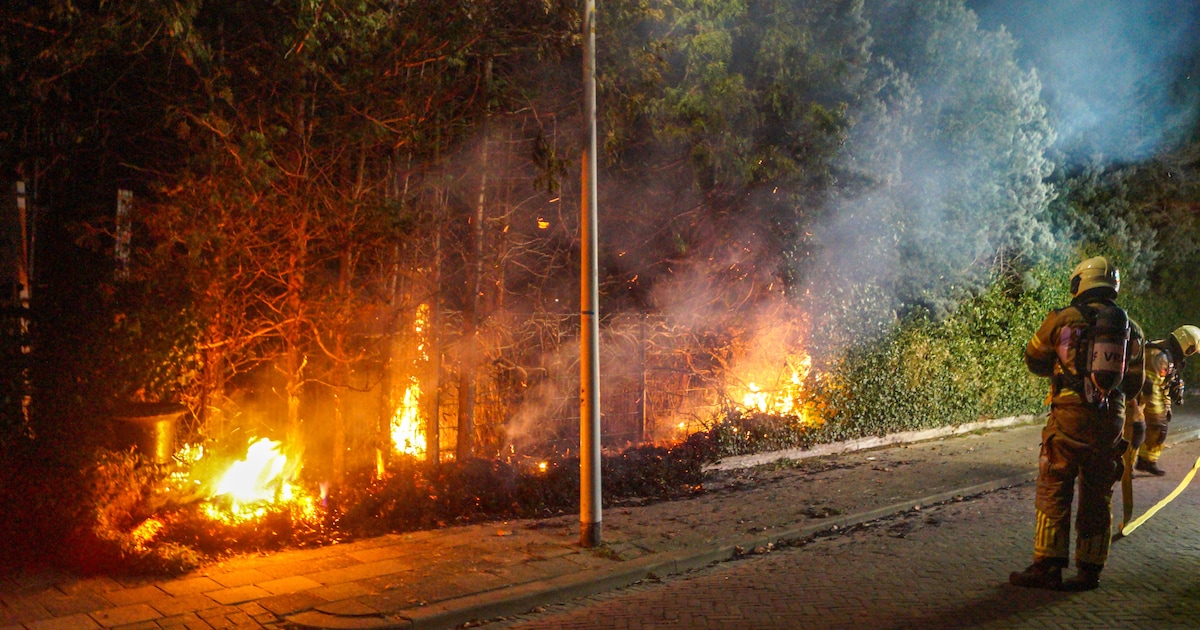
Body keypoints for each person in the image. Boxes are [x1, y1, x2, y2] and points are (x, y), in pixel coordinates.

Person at [1010, 256, 1144, 592]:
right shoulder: (1133, 329)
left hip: (1068, 418)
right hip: (1109, 423)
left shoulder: (1062, 319)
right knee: (1098, 494)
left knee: (1055, 487)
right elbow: (1134, 385)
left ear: (1080, 283)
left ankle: (1048, 567)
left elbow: (1034, 359)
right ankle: (1090, 570)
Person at [1133, 325, 1200, 476]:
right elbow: (1151, 387)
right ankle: (1124, 467)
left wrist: (1167, 407)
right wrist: (1158, 414)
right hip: (1134, 398)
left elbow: (1164, 385)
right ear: (1185, 343)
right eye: (1192, 349)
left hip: (1144, 397)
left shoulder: (1170, 356)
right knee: (1134, 430)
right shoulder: (1159, 356)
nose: (1191, 354)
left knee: (1158, 429)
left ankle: (1147, 460)